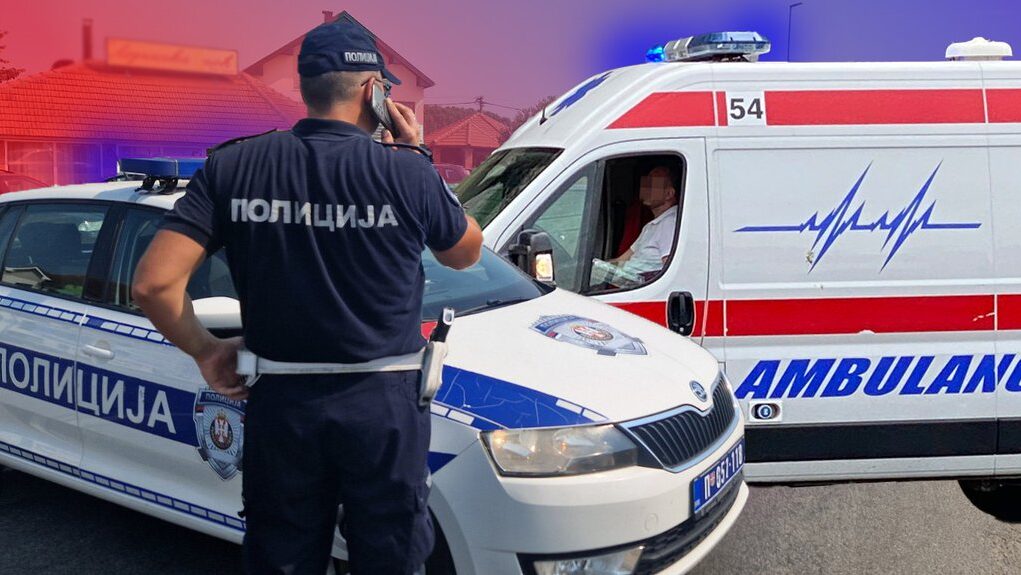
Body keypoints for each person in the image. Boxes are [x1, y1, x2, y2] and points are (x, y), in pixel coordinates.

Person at [131, 18, 483, 575]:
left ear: (305, 87)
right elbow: (464, 253)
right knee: (391, 556)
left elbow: (153, 284)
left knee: (282, 556)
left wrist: (206, 349)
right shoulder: (407, 173)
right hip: (382, 405)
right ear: (374, 91)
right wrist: (415, 155)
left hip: (282, 405)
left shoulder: (234, 165)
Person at [611, 163, 680, 277]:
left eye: (653, 185)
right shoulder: (651, 226)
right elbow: (622, 260)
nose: (645, 189)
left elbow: (671, 272)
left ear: (669, 193)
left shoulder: (669, 224)